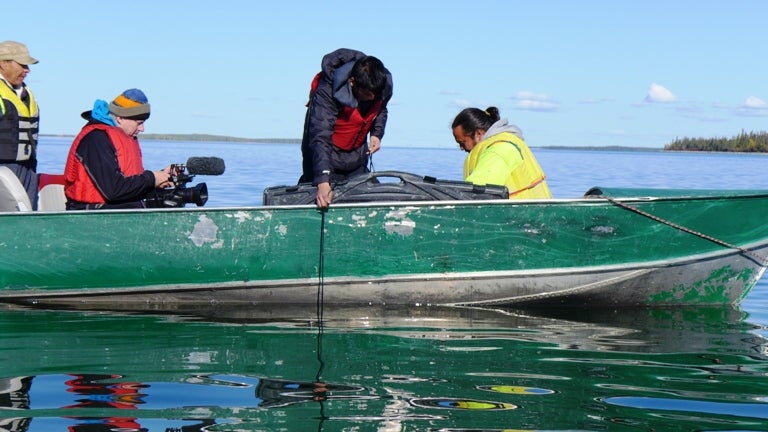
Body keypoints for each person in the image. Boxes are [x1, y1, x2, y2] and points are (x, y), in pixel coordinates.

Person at [299, 48, 393, 208]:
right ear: (352, 81)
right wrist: (323, 181)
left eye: (375, 95)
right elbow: (320, 136)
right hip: (324, 156)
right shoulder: (326, 92)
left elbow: (381, 109)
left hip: (356, 157)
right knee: (321, 196)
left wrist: (376, 134)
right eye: (367, 95)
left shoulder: (381, 85)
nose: (371, 99)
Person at [64, 88, 173, 210]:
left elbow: (129, 183)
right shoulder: (96, 139)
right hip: (90, 215)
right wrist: (152, 178)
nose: (142, 129)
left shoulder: (124, 137)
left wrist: (161, 178)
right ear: (120, 118)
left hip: (117, 210)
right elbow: (113, 190)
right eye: (139, 123)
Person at [451, 107, 552, 199]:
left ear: (478, 134)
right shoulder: (495, 145)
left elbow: (475, 189)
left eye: (462, 143)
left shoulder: (500, 149)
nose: (461, 148)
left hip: (525, 215)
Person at [0, 40, 40, 209]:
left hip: (28, 168)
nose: (27, 70)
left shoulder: (25, 92)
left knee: (28, 218)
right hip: (4, 170)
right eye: (22, 65)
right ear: (3, 64)